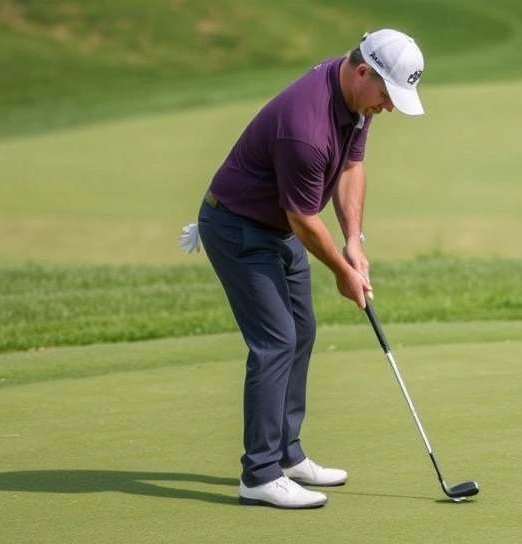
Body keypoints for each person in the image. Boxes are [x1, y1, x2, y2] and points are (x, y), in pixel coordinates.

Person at [182, 29, 426, 509]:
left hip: (276, 227)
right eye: (387, 95)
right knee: (275, 341)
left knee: (302, 330)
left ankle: (287, 453)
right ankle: (260, 474)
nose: (390, 107)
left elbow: (352, 168)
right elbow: (303, 218)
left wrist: (354, 240)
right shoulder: (305, 130)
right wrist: (341, 270)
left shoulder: (356, 100)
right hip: (238, 229)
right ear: (363, 72)